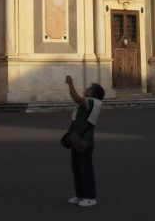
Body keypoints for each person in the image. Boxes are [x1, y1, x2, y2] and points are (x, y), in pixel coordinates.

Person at [65, 75, 104, 208]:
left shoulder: (93, 103)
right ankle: (80, 194)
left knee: (86, 169)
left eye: (88, 88)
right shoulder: (89, 101)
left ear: (93, 93)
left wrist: (70, 83)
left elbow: (76, 98)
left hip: (85, 141)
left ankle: (90, 197)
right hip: (77, 140)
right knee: (76, 168)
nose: (86, 89)